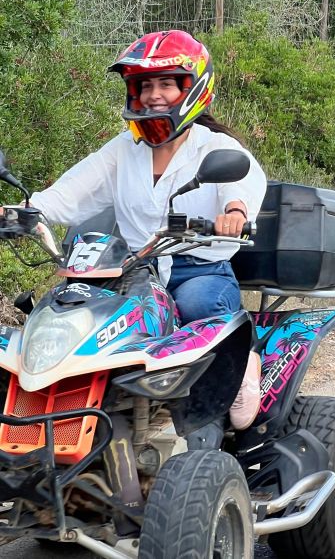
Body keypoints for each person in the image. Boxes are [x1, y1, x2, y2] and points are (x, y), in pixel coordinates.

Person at [28, 29, 266, 435]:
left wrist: (235, 212)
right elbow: (70, 192)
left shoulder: (213, 147)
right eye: (145, 84)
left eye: (167, 83)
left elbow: (242, 182)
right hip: (132, 271)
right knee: (70, 318)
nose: (154, 94)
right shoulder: (124, 149)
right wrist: (22, 212)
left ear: (191, 89)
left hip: (197, 268)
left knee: (198, 304)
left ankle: (243, 366)